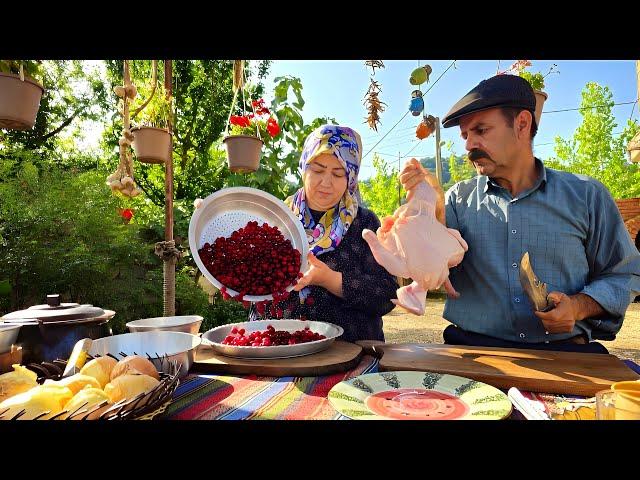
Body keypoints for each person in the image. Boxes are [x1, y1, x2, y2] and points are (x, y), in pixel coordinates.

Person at [400, 74, 640, 353]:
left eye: (481, 130)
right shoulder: (458, 200)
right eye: (466, 136)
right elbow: (433, 270)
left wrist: (577, 306)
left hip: (565, 354)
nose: (468, 146)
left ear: (522, 124)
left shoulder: (587, 196)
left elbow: (624, 274)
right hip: (473, 354)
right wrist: (430, 208)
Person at [248, 124, 399, 342]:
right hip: (276, 351)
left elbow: (387, 295)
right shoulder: (277, 221)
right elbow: (250, 281)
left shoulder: (364, 224)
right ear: (304, 168)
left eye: (338, 174)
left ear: (351, 178)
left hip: (350, 355)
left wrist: (330, 280)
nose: (325, 183)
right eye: (317, 170)